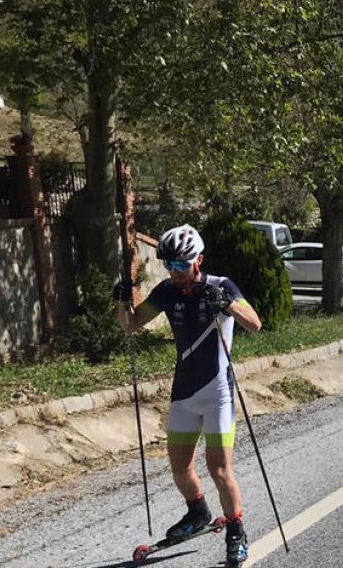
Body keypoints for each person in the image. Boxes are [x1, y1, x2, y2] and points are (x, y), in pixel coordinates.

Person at [115, 223, 262, 568]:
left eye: (181, 265)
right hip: (183, 394)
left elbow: (254, 323)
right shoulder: (167, 291)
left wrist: (227, 304)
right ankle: (197, 511)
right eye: (170, 265)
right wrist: (122, 300)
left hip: (218, 394)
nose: (175, 272)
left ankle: (237, 532)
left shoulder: (220, 285)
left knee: (220, 469)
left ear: (199, 260)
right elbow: (130, 325)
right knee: (180, 468)